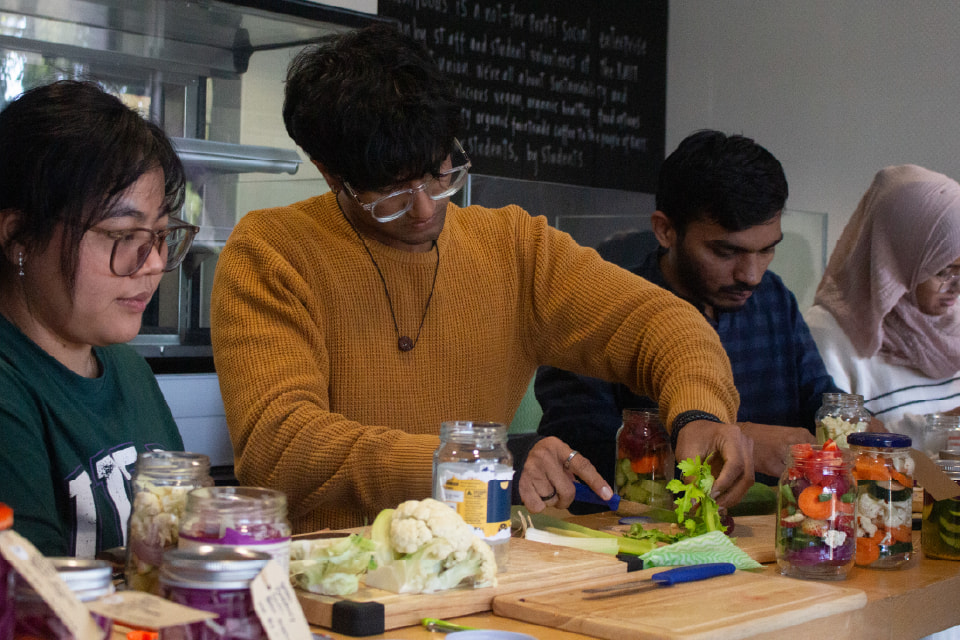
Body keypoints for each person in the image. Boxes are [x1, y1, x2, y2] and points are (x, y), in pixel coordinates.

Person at [209, 24, 754, 535]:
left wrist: (700, 413)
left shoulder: (513, 247)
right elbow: (281, 446)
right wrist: (474, 462)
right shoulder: (273, 251)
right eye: (391, 192)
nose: (425, 208)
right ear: (330, 173)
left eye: (439, 174)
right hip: (330, 571)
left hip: (477, 562)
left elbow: (664, 324)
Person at [536, 130, 843, 489]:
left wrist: (856, 429)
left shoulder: (773, 299)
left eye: (767, 250)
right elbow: (576, 458)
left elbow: (822, 401)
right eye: (726, 252)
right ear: (665, 230)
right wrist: (732, 444)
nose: (751, 275)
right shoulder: (600, 311)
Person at [0, 80, 198, 557]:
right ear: (18, 236)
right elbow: (30, 587)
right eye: (123, 235)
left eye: (160, 235)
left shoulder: (128, 370)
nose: (153, 263)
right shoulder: (10, 386)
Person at [805, 164, 960, 443]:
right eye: (943, 271)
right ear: (897, 260)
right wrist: (949, 425)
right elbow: (839, 447)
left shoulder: (952, 323)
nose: (956, 288)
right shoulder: (827, 335)